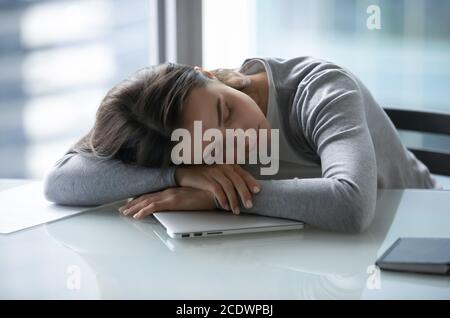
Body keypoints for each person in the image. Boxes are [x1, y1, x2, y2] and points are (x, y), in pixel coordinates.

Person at [43, 56, 438, 233]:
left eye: (226, 111)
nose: (243, 138)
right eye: (213, 148)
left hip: (417, 229)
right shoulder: (177, 140)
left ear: (207, 73)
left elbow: (351, 205)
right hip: (313, 253)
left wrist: (218, 198)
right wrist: (178, 173)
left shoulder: (319, 89)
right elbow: (61, 180)